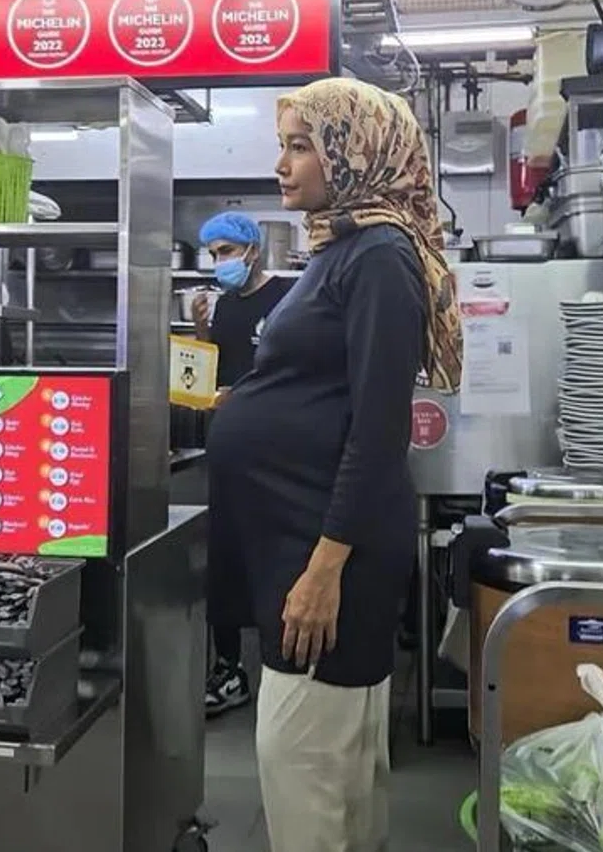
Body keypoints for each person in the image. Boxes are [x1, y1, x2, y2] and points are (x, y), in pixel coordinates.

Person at [206, 78, 463, 852]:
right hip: (303, 531)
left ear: (355, 155)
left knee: (301, 762)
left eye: (301, 146)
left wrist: (324, 571)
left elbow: (380, 428)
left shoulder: (379, 258)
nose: (281, 164)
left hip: (326, 545)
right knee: (337, 769)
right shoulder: (341, 247)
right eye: (283, 144)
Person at [194, 210, 295, 716]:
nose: (221, 263)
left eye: (227, 252)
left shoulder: (288, 298)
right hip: (228, 448)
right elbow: (212, 369)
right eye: (214, 255)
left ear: (253, 249)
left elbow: (294, 370)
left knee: (275, 555)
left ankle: (285, 662)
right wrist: (201, 331)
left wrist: (247, 395)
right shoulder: (226, 308)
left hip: (276, 451)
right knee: (226, 558)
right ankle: (229, 668)